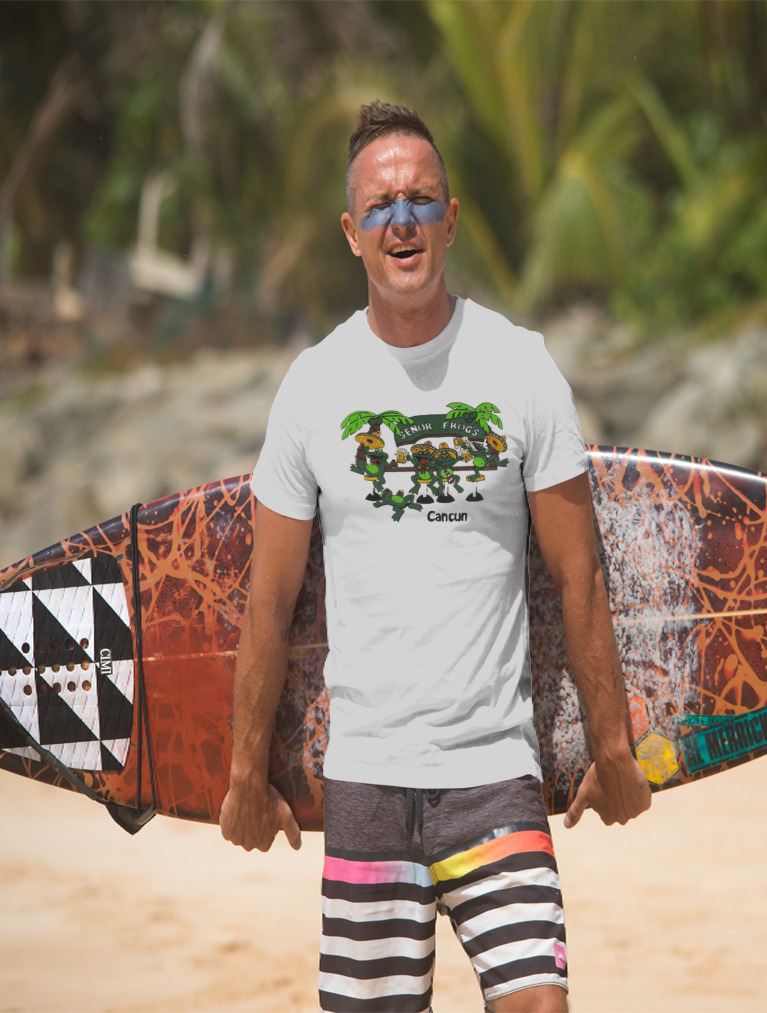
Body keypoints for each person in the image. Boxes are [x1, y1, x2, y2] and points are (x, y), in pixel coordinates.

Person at [220, 100, 651, 1013]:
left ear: (451, 219)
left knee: (540, 1003)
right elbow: (270, 599)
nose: (402, 220)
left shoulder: (521, 367)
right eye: (380, 206)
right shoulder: (314, 387)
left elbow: (579, 575)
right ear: (351, 232)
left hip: (495, 773)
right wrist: (242, 772)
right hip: (368, 778)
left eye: (421, 200)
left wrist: (612, 746)